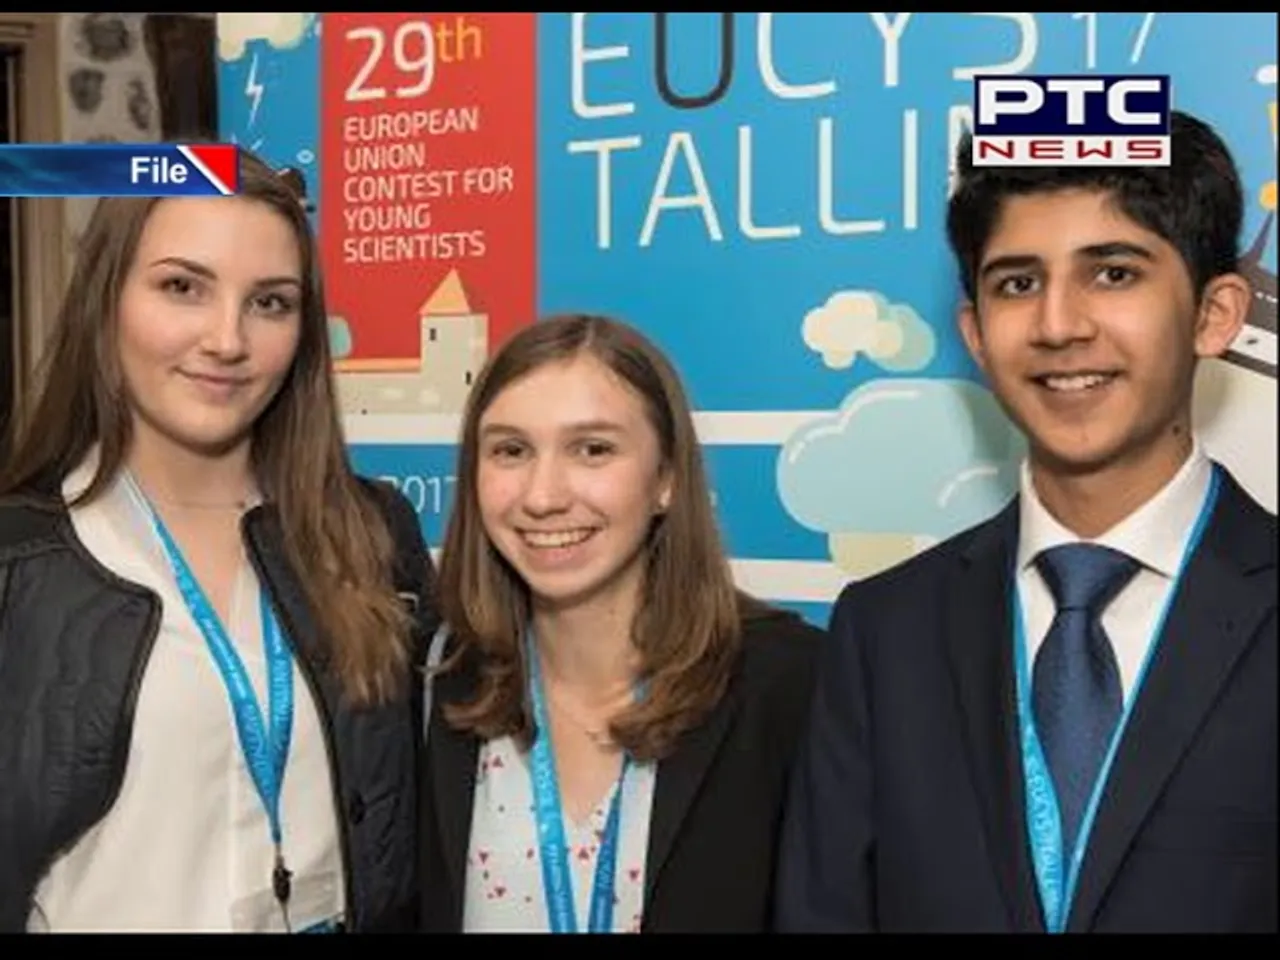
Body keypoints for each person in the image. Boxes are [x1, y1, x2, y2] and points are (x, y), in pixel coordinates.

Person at [776, 111, 1276, 933]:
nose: (1057, 326)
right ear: (974, 332)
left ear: (1215, 314)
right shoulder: (884, 631)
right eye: (1017, 283)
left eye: (1113, 274)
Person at [0, 154, 435, 933]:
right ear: (107, 301)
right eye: (182, 287)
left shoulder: (374, 534)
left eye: (270, 302)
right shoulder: (19, 561)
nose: (227, 339)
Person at [417, 314, 820, 933]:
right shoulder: (438, 683)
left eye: (593, 449)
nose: (543, 495)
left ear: (666, 479)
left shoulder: (794, 686)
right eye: (510, 450)